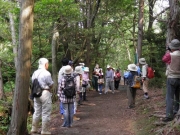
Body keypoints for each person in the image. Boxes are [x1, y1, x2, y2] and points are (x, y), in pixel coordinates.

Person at [30, 58, 54, 134]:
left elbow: (33, 83)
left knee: (36, 111)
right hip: (45, 93)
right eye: (47, 64)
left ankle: (34, 128)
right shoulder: (46, 73)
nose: (48, 65)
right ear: (45, 64)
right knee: (46, 112)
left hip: (36, 93)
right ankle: (45, 130)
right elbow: (51, 84)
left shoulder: (34, 73)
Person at [162, 39, 180, 122]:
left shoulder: (170, 55)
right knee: (178, 97)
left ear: (172, 47)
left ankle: (169, 115)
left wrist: (168, 51)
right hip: (179, 77)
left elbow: (164, 59)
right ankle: (176, 111)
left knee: (169, 97)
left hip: (171, 77)